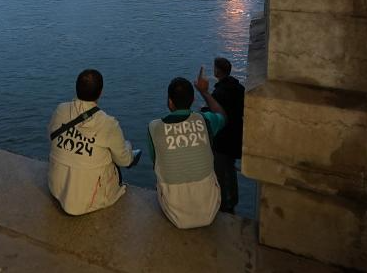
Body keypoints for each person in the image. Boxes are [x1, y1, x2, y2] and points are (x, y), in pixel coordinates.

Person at [47, 68, 136, 215]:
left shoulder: (61, 109)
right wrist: (129, 147)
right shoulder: (108, 123)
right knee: (115, 154)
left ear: (76, 88)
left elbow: (50, 136)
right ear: (100, 93)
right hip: (89, 199)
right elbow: (124, 161)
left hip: (57, 188)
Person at [146, 67, 226, 229]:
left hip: (174, 211)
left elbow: (156, 163)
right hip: (210, 208)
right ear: (192, 100)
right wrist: (204, 92)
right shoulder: (205, 120)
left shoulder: (154, 127)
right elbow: (223, 116)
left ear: (170, 101)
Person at [211, 56, 245, 213]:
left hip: (222, 139)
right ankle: (232, 201)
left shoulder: (219, 92)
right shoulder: (239, 88)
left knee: (220, 171)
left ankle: (223, 203)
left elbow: (216, 115)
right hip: (235, 137)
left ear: (218, 71)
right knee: (230, 169)